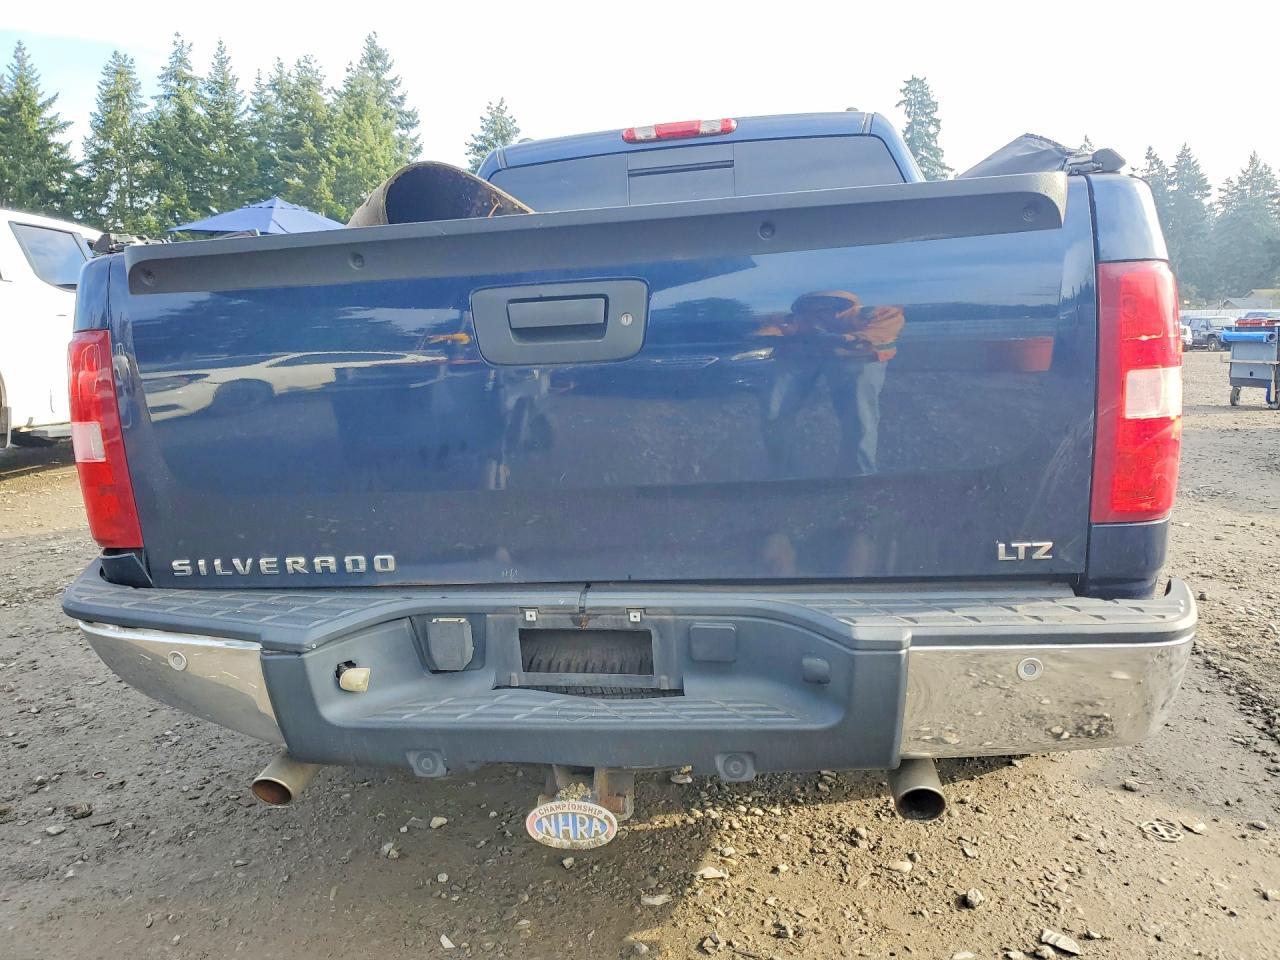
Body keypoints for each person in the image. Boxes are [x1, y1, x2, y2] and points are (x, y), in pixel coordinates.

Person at [755, 290, 904, 476]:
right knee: (774, 409)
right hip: (803, 354)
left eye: (826, 307)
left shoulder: (873, 313)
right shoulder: (796, 319)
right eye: (815, 308)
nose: (820, 312)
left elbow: (881, 331)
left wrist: (844, 339)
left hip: (858, 357)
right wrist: (769, 336)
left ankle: (858, 476)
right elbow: (773, 329)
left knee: (859, 415)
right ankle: (784, 476)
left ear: (842, 305)